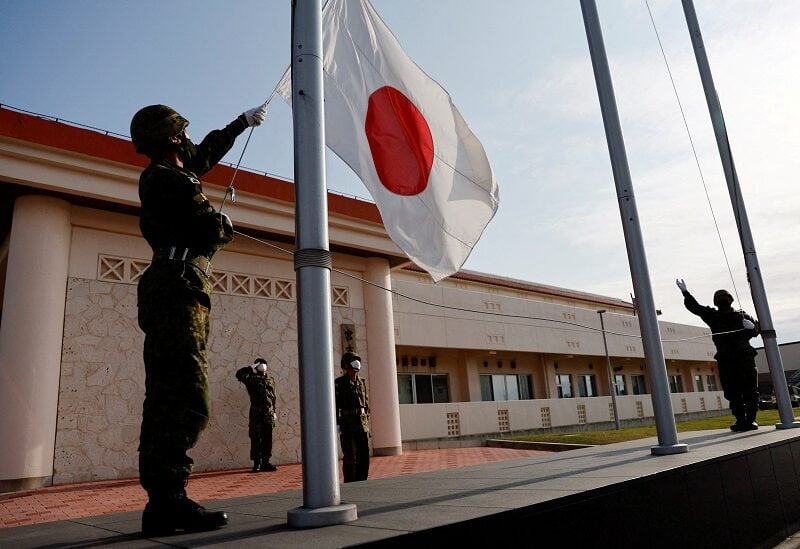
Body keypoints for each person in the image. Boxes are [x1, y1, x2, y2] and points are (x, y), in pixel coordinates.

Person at [131, 102, 267, 535]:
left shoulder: (170, 172)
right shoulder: (167, 179)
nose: (188, 139)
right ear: (171, 138)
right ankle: (168, 498)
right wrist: (223, 223)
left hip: (176, 287)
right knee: (188, 397)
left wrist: (240, 125)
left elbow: (204, 153)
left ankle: (164, 501)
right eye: (182, 133)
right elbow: (212, 230)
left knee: (168, 396)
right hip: (177, 288)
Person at [676, 279, 760, 432]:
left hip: (744, 357)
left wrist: (753, 327)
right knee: (732, 391)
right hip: (726, 358)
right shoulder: (713, 316)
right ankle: (741, 419)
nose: (723, 300)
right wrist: (685, 293)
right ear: (716, 302)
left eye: (726, 297)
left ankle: (751, 420)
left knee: (750, 390)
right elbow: (695, 308)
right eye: (720, 298)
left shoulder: (741, 315)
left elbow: (755, 332)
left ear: (731, 300)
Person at [236, 358, 278, 473]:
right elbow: (239, 374)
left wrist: (274, 411)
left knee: (267, 438)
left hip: (268, 413)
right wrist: (251, 367)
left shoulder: (270, 380)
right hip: (256, 413)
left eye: (263, 364)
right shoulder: (252, 379)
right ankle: (257, 463)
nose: (262, 366)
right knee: (256, 438)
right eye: (260, 364)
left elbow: (273, 397)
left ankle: (266, 462)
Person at [334, 351, 371, 482]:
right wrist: (337, 423)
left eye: (357, 360)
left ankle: (363, 480)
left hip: (362, 421)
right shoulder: (339, 383)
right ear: (346, 365)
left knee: (364, 454)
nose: (357, 362)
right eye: (352, 360)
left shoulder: (362, 382)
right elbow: (335, 405)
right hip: (347, 422)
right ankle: (350, 482)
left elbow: (365, 403)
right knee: (350, 455)